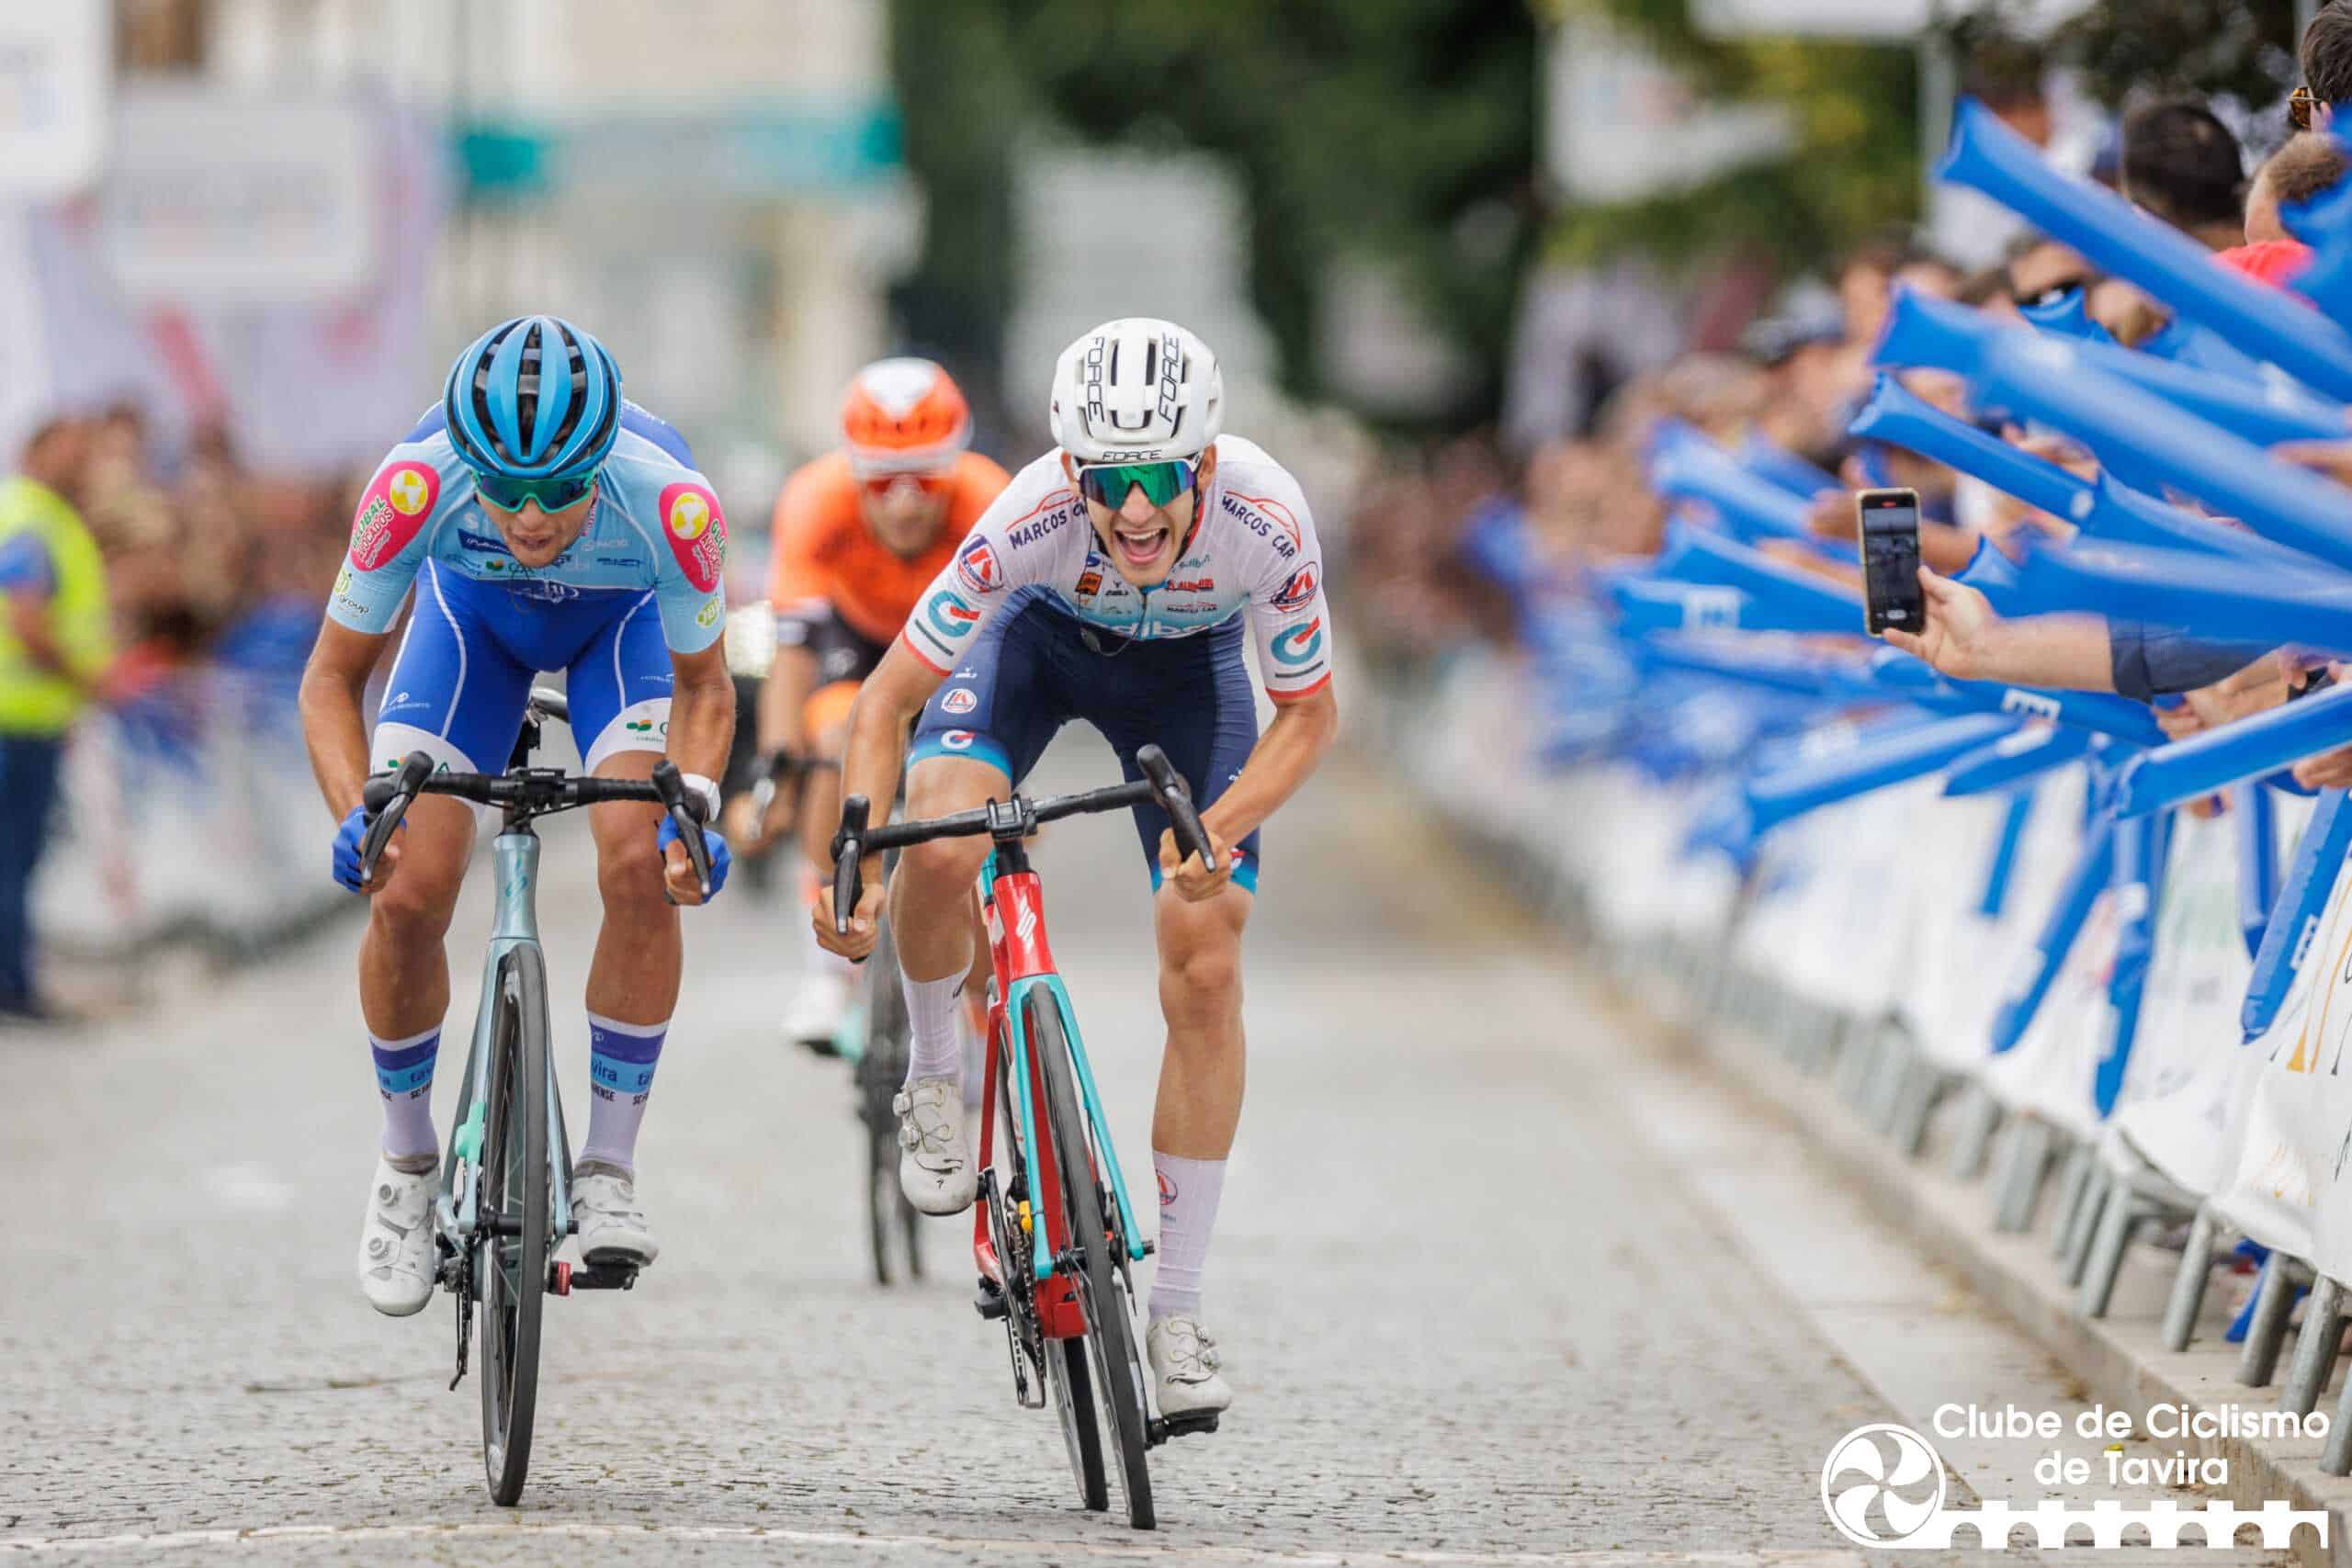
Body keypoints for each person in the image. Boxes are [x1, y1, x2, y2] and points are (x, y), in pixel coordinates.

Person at [815, 318, 1340, 1421]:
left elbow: (1306, 716)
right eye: (1109, 482)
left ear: (1201, 463)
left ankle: (1179, 1312)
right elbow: (884, 704)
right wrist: (855, 855)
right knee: (942, 834)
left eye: (1158, 478)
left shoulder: (1265, 519)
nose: (1135, 511)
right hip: (1034, 650)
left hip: (1190, 680)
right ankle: (932, 1076)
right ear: (1071, 472)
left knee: (1205, 956)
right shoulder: (1031, 520)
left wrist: (1222, 830)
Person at [298, 315, 737, 1316]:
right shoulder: (413, 485)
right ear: (467, 464)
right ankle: (406, 1166)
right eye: (502, 490)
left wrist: (696, 805)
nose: (530, 518)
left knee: (637, 858)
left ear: (602, 463)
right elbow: (329, 681)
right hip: (472, 631)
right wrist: (355, 814)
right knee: (406, 891)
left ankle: (609, 1171)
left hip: (613, 633)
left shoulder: (672, 503)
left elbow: (707, 690)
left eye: (559, 492)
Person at [753, 359, 1010, 1053]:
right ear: (852, 471)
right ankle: (830, 971)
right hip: (856, 641)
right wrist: (778, 764)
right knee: (832, 743)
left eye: (926, 477)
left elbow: (1022, 657)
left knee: (965, 796)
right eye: (881, 481)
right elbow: (792, 655)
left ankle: (983, 1025)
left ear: (955, 466)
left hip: (956, 648)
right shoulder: (814, 499)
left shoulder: (992, 499)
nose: (903, 501)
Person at [0, 418, 112, 1021]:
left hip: (30, 719)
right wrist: (88, 679)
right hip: (16, 722)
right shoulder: (30, 518)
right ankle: (11, 987)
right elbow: (28, 621)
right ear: (37, 449)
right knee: (11, 859)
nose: (84, 463)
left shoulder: (38, 514)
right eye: (74, 451)